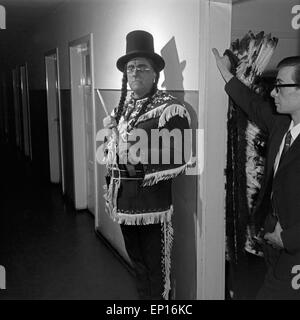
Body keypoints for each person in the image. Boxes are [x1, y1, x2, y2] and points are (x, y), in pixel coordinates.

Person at [102, 30, 191, 300]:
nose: (135, 72)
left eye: (142, 67)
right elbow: (112, 154)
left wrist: (140, 151)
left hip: (153, 206)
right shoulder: (124, 108)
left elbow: (181, 155)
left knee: (156, 271)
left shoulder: (170, 108)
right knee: (138, 266)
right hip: (124, 204)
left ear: (156, 74)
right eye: (130, 68)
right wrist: (111, 138)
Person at [212, 48, 300, 299]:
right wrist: (225, 73)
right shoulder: (282, 125)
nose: (273, 92)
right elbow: (252, 102)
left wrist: (289, 239)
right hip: (273, 242)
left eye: (280, 85)